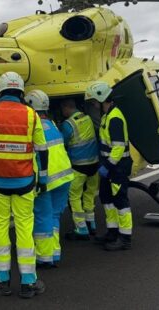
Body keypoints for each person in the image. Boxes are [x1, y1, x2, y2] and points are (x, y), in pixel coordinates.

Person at [0, 71, 48, 299]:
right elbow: (42, 151)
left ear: (0, 90)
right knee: (24, 230)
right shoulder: (32, 115)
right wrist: (42, 179)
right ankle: (28, 282)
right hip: (25, 183)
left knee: (0, 231)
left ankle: (2, 281)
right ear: (21, 91)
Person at [25, 90, 74, 268]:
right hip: (64, 176)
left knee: (42, 217)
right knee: (53, 216)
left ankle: (44, 257)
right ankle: (54, 252)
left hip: (47, 179)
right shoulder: (52, 124)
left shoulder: (33, 127)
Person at [86, 81, 133, 251]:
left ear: (101, 99)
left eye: (94, 101)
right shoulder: (107, 115)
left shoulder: (115, 118)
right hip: (110, 166)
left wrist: (108, 166)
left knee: (120, 201)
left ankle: (125, 238)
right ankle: (112, 232)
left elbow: (118, 147)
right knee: (106, 199)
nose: (93, 105)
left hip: (117, 167)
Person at [59, 97, 100, 241]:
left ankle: (81, 228)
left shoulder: (68, 124)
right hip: (94, 164)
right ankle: (91, 223)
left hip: (78, 166)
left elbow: (62, 142)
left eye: (62, 109)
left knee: (74, 197)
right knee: (89, 194)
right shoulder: (87, 118)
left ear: (66, 107)